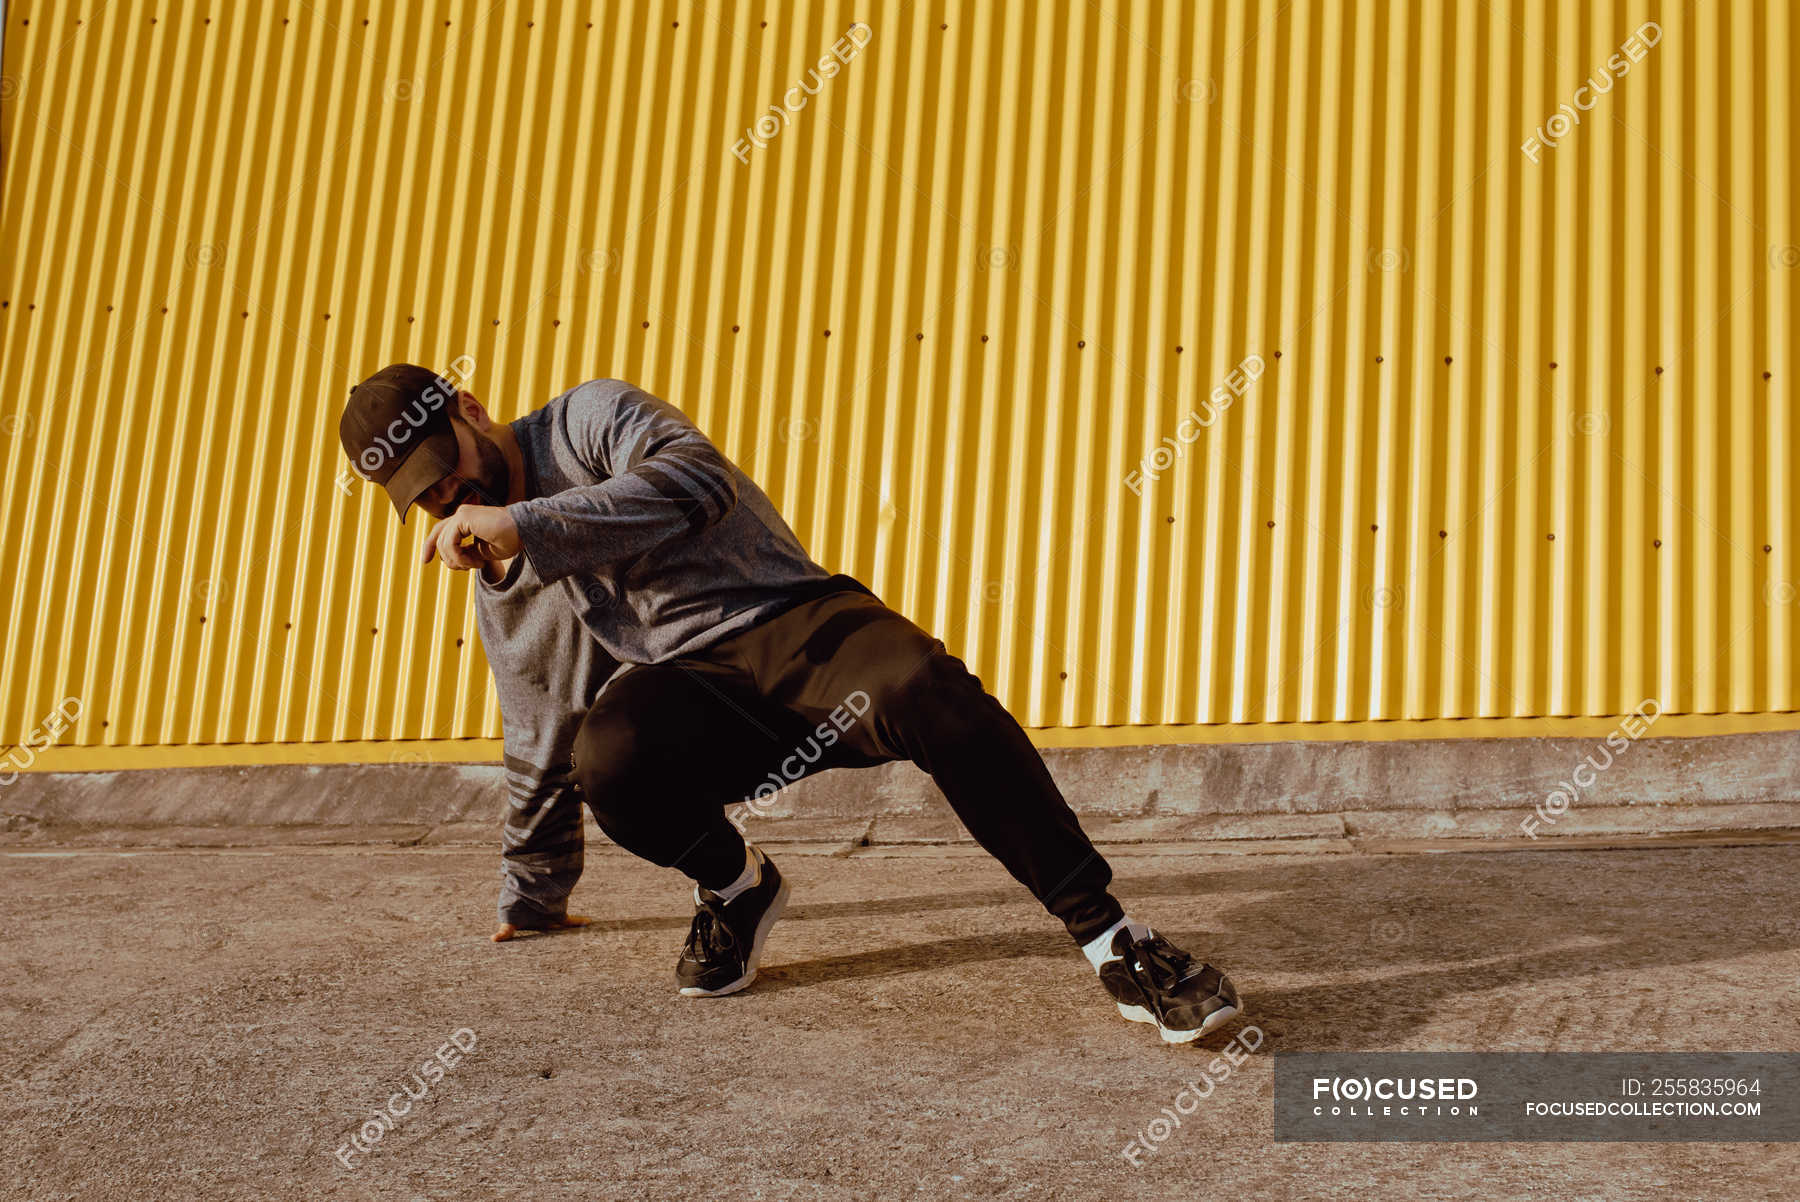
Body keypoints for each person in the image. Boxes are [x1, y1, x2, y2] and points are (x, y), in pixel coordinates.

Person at [337, 364, 1241, 1043]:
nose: (452, 497)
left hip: (797, 628)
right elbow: (538, 721)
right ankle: (738, 889)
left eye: (446, 468)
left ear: (469, 409)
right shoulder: (497, 569)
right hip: (698, 695)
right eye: (426, 499)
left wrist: (529, 523)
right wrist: (532, 895)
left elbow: (697, 482)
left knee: (928, 687)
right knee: (605, 757)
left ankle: (1114, 940)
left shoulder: (587, 419)